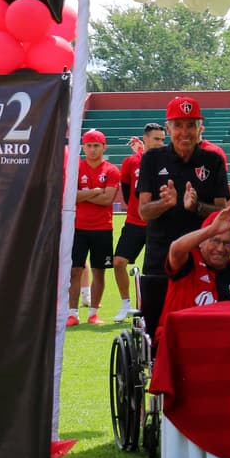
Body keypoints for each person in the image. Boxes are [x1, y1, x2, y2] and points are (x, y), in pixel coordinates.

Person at [137, 96, 230, 333]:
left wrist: (197, 207)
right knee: (157, 330)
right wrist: (166, 203)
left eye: (191, 125)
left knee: (202, 333)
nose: (185, 132)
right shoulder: (152, 159)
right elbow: (144, 211)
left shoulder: (214, 160)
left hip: (203, 262)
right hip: (160, 260)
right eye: (178, 125)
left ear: (200, 128)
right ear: (168, 128)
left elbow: (223, 212)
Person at [156, 207, 230, 347]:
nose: (220, 248)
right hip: (177, 341)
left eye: (227, 243)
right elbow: (175, 249)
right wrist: (212, 229)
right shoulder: (188, 261)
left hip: (220, 345)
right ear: (201, 242)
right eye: (214, 240)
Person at [111, 122, 165, 322]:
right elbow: (127, 190)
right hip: (135, 221)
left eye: (162, 139)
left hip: (158, 224)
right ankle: (126, 304)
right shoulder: (131, 162)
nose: (160, 143)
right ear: (145, 139)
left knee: (155, 271)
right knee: (118, 262)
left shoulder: (168, 161)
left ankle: (153, 308)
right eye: (156, 139)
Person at [68, 129, 120, 326]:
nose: (92, 149)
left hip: (102, 229)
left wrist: (85, 193)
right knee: (75, 270)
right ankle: (72, 314)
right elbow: (70, 196)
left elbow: (108, 199)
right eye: (89, 145)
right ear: (83, 147)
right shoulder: (76, 168)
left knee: (99, 271)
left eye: (96, 145)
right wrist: (97, 191)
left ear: (103, 147)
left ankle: (93, 314)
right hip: (78, 228)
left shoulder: (112, 170)